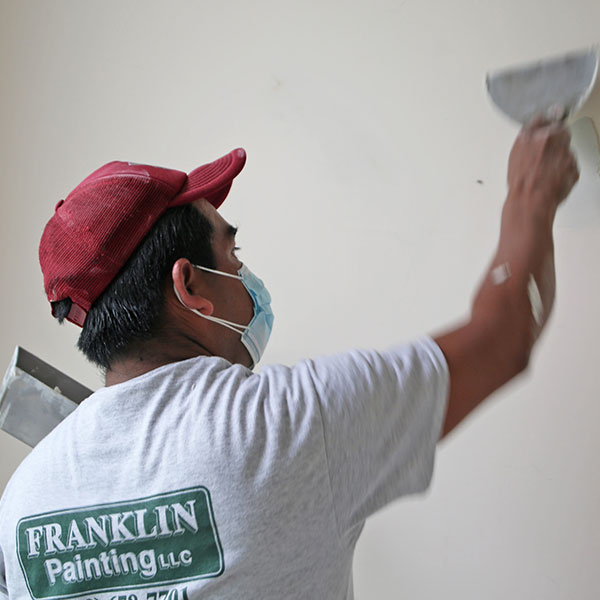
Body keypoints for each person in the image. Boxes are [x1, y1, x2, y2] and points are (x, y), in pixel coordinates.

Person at [0, 116, 579, 600]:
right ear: (189, 287)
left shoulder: (22, 507)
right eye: (233, 253)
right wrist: (533, 190)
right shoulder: (284, 425)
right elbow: (504, 336)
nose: (244, 274)